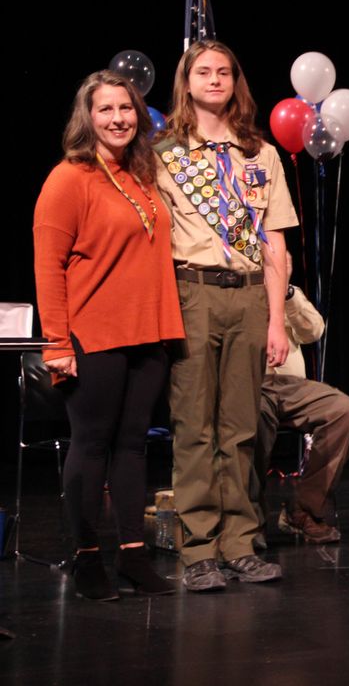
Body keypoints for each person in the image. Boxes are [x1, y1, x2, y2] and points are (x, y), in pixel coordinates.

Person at [33, 70, 184, 600]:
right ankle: (87, 557)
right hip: (92, 334)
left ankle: (133, 557)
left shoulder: (143, 175)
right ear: (88, 117)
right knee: (92, 444)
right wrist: (55, 343)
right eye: (106, 110)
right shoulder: (69, 178)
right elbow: (48, 267)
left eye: (126, 109)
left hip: (149, 333)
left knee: (132, 448)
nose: (118, 118)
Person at [154, 40, 298, 591]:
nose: (215, 80)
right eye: (204, 72)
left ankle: (240, 541)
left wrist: (277, 320)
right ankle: (198, 550)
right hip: (191, 292)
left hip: (249, 295)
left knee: (240, 427)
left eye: (225, 73)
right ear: (186, 82)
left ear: (237, 83)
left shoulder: (260, 154)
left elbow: (277, 245)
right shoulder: (165, 152)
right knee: (195, 426)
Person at [253, 253, 349, 545]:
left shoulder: (291, 296)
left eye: (285, 264)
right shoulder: (243, 290)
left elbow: (314, 331)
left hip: (291, 386)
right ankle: (249, 522)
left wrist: (286, 292)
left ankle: (304, 510)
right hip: (253, 383)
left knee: (346, 413)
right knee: (254, 419)